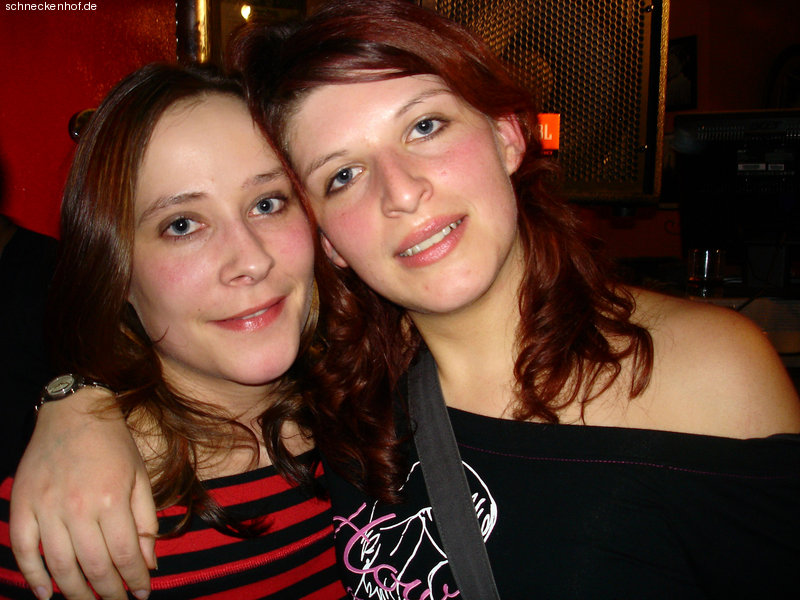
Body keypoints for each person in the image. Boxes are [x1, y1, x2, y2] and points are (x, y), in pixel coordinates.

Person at [10, 1, 800, 599]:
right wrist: (79, 401)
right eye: (343, 174)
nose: (401, 192)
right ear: (328, 235)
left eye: (424, 126)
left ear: (508, 133)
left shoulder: (709, 372)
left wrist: (74, 395)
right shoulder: (351, 404)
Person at [1, 62, 348, 600]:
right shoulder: (68, 529)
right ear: (117, 273)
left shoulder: (381, 417)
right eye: (182, 225)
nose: (250, 260)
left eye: (267, 203)